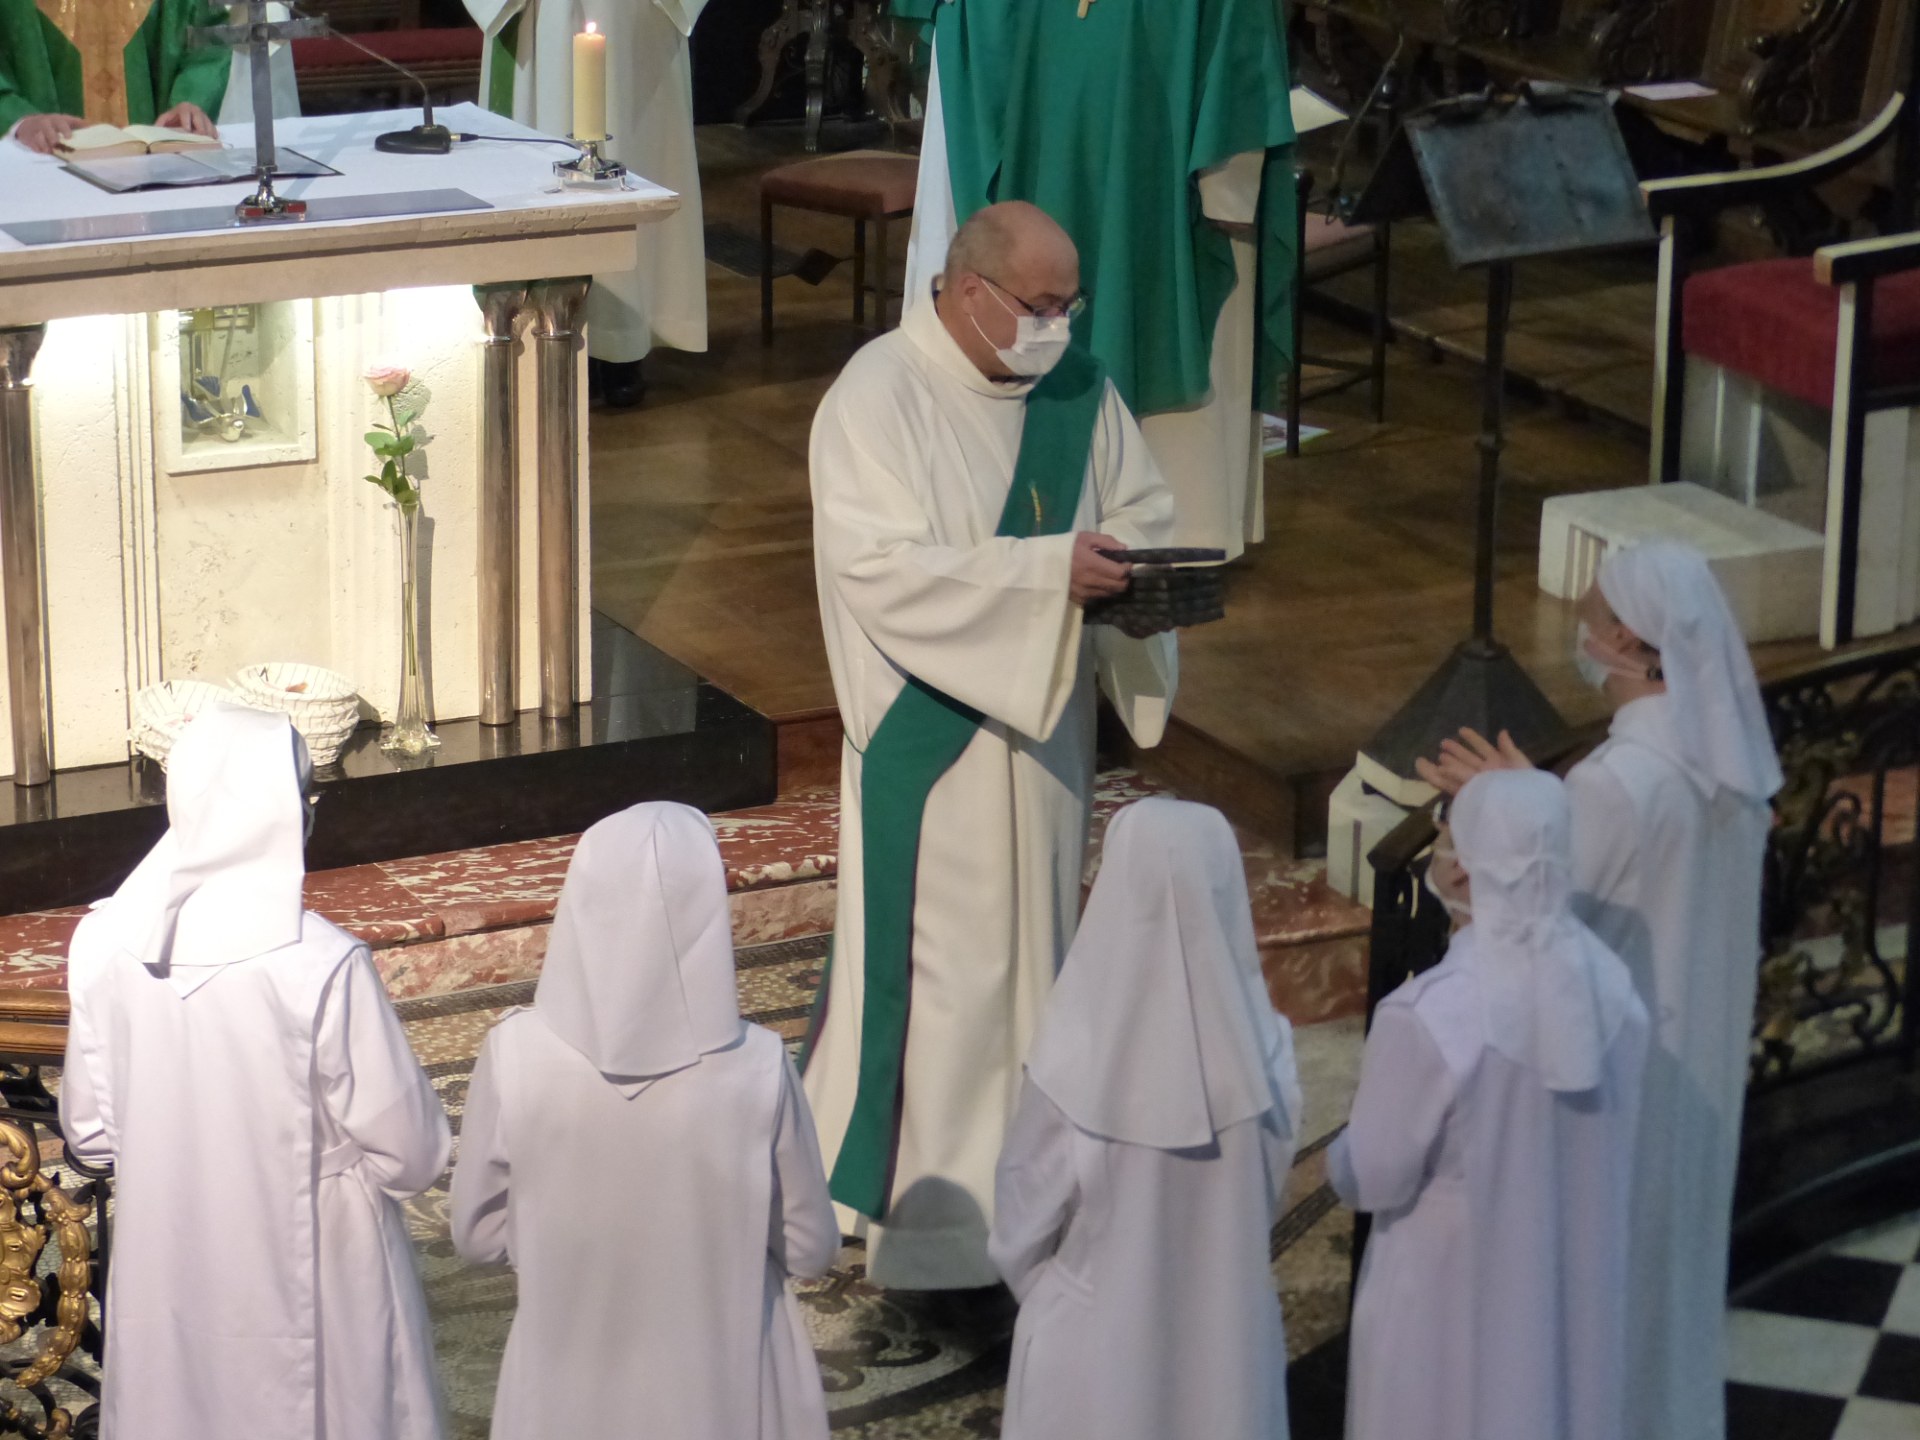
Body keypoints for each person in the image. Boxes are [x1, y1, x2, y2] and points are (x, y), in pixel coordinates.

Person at [804, 199, 1179, 1289]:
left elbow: (1142, 508)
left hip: (1047, 732)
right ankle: (936, 1229)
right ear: (971, 292)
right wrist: (1042, 577)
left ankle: (1040, 1184)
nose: (1058, 326)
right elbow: (880, 572)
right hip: (941, 753)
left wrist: (1142, 578)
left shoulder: (1076, 390)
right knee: (948, 988)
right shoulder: (877, 395)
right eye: (1040, 305)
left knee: (1036, 970)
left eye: (1070, 304)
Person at [1417, 540, 1782, 1440]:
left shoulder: (1620, 784)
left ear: (1624, 634)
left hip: (1610, 1090)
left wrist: (1487, 817)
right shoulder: (1726, 775)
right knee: (1670, 1284)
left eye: (1588, 615)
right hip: (1693, 1072)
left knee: (1598, 1297)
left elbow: (1523, 923)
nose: (1577, 630)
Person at [59, 703, 449, 1440]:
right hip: (323, 1257)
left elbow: (89, 1135)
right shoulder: (321, 964)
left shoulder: (104, 942)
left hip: (167, 1251)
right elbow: (413, 1155)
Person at [449, 802, 837, 1440]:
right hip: (722, 1381)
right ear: (707, 915)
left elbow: (478, 1236)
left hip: (562, 1382)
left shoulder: (512, 1053)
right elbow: (810, 1247)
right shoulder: (759, 1066)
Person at [898, 0, 1298, 558]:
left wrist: (1227, 189)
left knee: (1168, 304)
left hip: (1156, 176)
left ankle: (1182, 532)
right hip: (1052, 150)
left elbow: (1237, 50)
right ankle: (1035, 517)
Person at [1331, 769, 1649, 1440]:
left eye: (1446, 839)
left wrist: (1337, 1153)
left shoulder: (1429, 1014)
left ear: (1464, 875)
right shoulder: (1617, 992)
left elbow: (1371, 1175)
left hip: (1447, 1299)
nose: (1438, 854)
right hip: (1568, 1282)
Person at [990, 798, 1302, 1440]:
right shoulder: (1267, 1050)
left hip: (1091, 1358)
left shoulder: (1074, 1057)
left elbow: (1020, 1230)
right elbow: (1258, 1199)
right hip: (1227, 1347)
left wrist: (1075, 1293)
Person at [467, 0, 708, 408]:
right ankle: (539, 331)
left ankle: (623, 340)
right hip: (537, 17)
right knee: (534, 166)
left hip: (630, 21)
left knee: (633, 156)